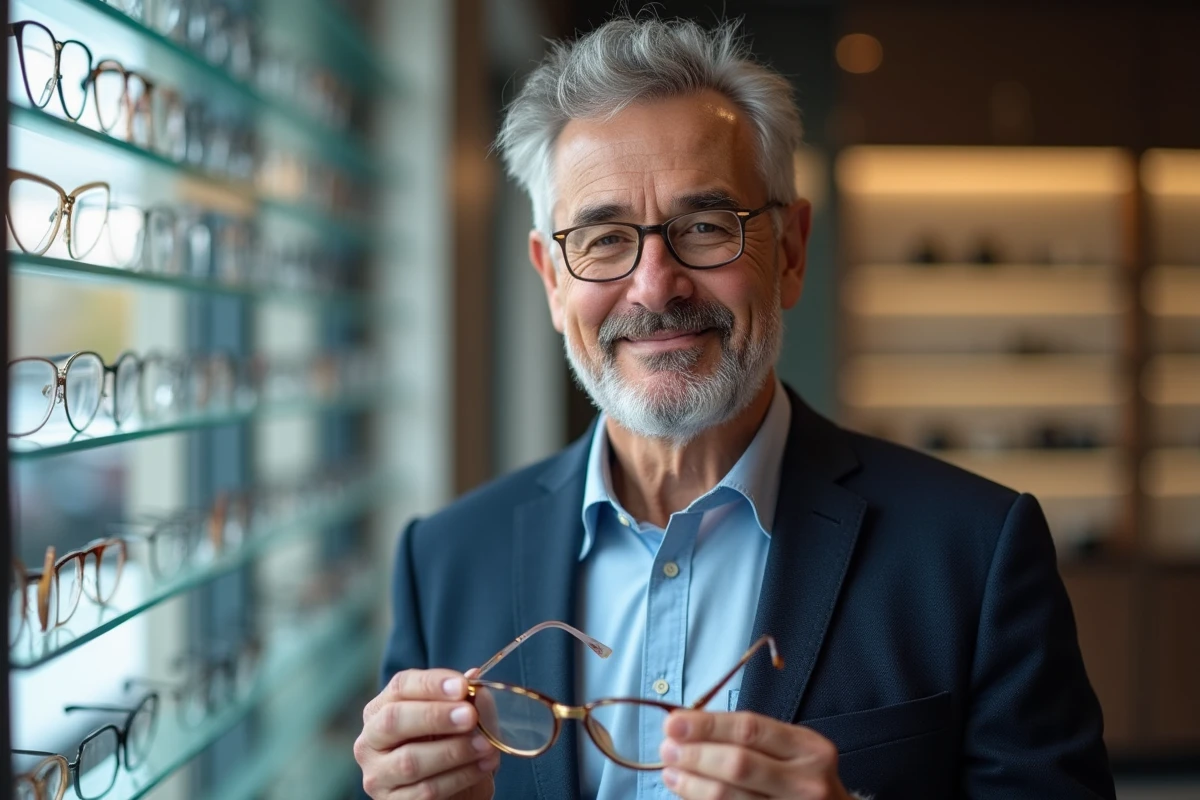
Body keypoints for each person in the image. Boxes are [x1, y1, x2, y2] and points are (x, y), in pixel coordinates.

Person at [354, 15, 1116, 800]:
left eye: (707, 227)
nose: (655, 287)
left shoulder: (974, 553)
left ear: (789, 252)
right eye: (605, 238)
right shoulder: (443, 562)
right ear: (552, 279)